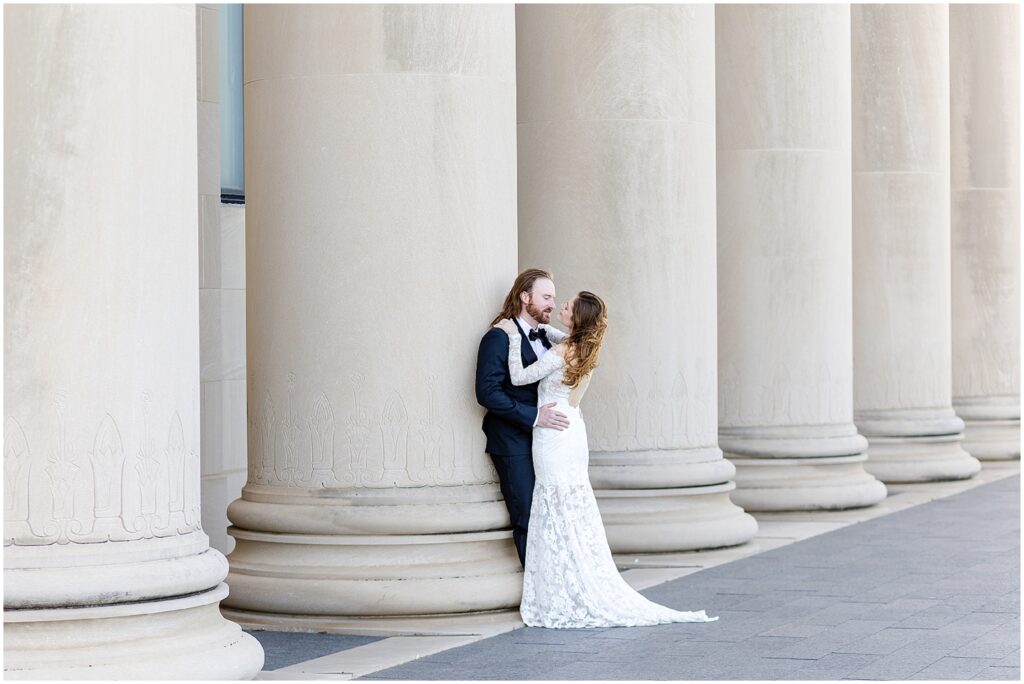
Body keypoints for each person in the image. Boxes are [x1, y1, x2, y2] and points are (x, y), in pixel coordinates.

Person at [493, 291, 718, 628]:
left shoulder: (561, 351)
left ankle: (562, 584)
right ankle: (575, 574)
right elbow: (555, 335)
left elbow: (520, 377)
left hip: (553, 434)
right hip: (572, 433)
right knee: (570, 506)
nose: (561, 307)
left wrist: (512, 337)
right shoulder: (583, 346)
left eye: (566, 307)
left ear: (576, 319)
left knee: (553, 507)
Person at [475, 269, 570, 567]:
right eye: (546, 297)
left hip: (545, 442)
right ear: (524, 297)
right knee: (528, 515)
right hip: (512, 441)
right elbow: (487, 392)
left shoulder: (547, 337)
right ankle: (537, 596)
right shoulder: (498, 337)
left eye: (553, 298)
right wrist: (533, 417)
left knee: (551, 513)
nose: (552, 304)